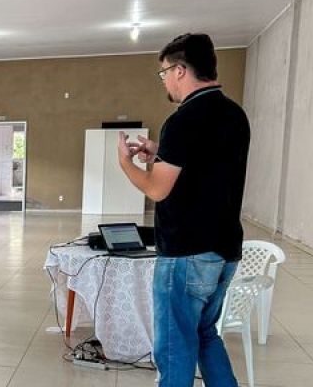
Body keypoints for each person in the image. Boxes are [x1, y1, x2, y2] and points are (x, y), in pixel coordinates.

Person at [116, 33, 249, 387]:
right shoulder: (234, 114)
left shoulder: (183, 119)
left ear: (179, 70)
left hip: (187, 253)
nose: (164, 81)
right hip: (225, 250)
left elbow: (157, 189)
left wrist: (126, 165)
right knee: (206, 334)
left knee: (175, 346)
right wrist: (160, 151)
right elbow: (207, 163)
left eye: (163, 73)